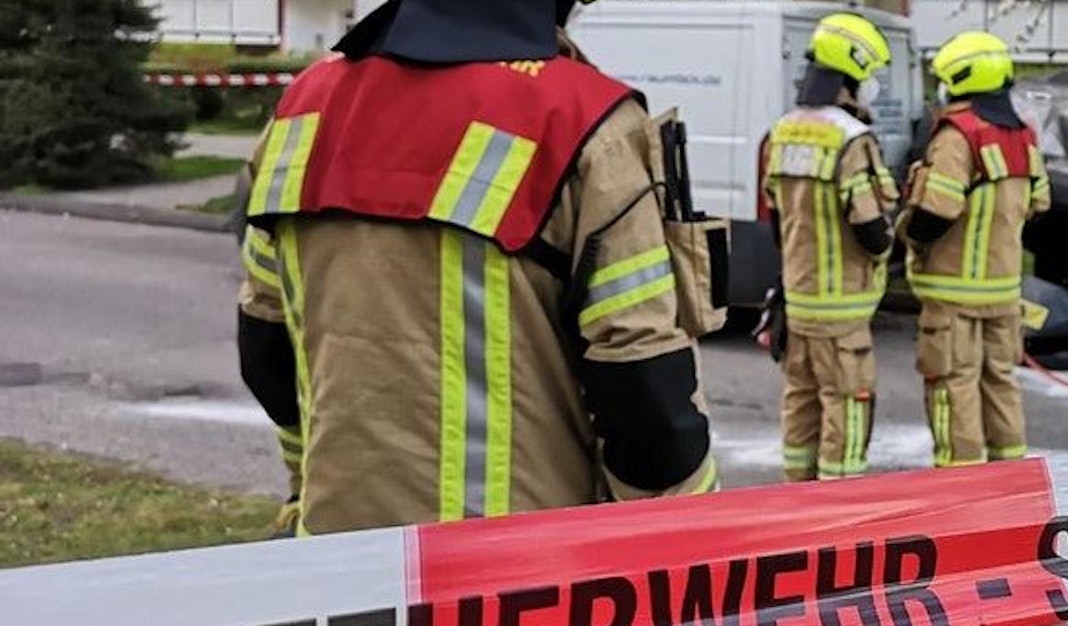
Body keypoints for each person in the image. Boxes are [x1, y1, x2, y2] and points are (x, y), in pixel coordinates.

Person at [235, 0, 717, 536]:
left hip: (340, 566)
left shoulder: (305, 106)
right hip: (515, 576)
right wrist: (689, 547)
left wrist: (311, 485)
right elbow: (644, 395)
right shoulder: (583, 123)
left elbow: (266, 348)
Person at [759, 13, 898, 481]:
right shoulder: (850, 139)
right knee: (847, 403)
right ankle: (841, 507)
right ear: (851, 74)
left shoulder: (784, 131)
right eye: (869, 76)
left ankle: (796, 498)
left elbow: (777, 217)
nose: (872, 86)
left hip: (799, 301)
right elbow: (871, 229)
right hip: (843, 310)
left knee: (800, 399)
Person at [900, 31, 1049, 468]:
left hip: (953, 295)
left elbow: (937, 210)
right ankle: (1010, 481)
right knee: (1000, 383)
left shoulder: (957, 135)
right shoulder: (1023, 136)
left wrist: (909, 237)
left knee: (954, 387)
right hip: (1002, 293)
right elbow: (1040, 203)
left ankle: (959, 486)